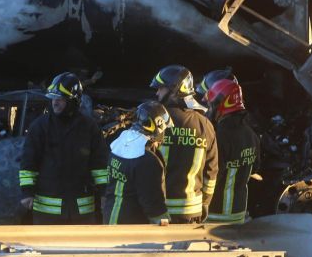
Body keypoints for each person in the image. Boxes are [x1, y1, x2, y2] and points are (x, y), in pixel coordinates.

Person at [19, 72, 109, 223]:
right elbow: (28, 162)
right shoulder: (40, 126)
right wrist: (27, 192)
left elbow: (99, 164)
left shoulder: (89, 127)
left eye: (60, 99)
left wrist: (104, 193)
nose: (55, 102)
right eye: (53, 98)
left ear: (73, 101)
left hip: (81, 211)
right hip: (47, 212)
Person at [149, 64, 218, 223]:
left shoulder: (155, 122)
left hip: (159, 212)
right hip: (191, 213)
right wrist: (205, 203)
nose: (157, 93)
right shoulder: (205, 125)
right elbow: (211, 171)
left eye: (161, 88)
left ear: (174, 90)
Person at [104, 100, 172, 225]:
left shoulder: (118, 144)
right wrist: (164, 225)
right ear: (158, 127)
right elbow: (153, 204)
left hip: (110, 219)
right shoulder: (147, 160)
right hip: (132, 227)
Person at [204, 77, 260, 224]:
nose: (209, 110)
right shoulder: (251, 135)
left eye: (210, 105)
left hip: (216, 213)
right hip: (239, 211)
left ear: (220, 105)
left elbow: (213, 173)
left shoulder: (220, 136)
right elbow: (255, 168)